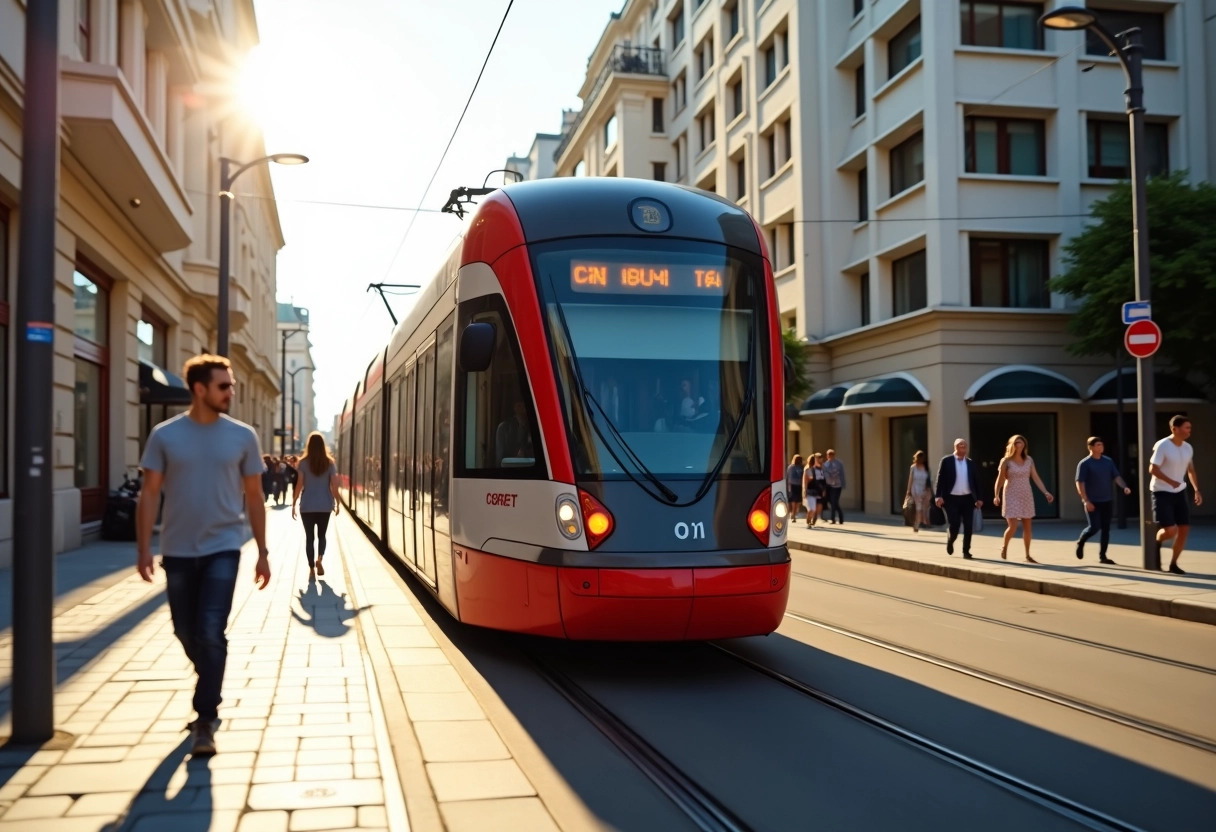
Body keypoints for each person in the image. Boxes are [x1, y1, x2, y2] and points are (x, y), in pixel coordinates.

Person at [136, 354, 270, 757]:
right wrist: (143, 547)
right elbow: (149, 494)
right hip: (176, 550)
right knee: (185, 632)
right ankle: (209, 678)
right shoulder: (164, 435)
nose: (231, 392)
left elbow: (254, 497)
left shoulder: (243, 436)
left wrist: (263, 552)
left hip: (223, 548)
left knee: (211, 631)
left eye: (231, 385)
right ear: (200, 389)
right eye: (224, 386)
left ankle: (205, 717)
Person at [1149, 415, 1202, 574]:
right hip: (1161, 492)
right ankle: (1157, 542)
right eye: (1186, 428)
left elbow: (1190, 470)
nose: (1188, 431)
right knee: (1171, 531)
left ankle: (1173, 564)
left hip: (1179, 492)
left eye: (1190, 428)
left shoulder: (1187, 448)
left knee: (1184, 529)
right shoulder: (1163, 445)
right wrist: (1170, 481)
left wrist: (1196, 489)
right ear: (1174, 429)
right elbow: (1153, 469)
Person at [992, 434, 1054, 563]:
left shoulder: (1029, 460)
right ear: (1012, 445)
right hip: (1011, 494)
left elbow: (1035, 477)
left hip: (1026, 494)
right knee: (1013, 526)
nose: (1019, 445)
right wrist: (996, 495)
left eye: (1021, 443)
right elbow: (1000, 479)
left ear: (1024, 445)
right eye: (1016, 443)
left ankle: (1027, 555)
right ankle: (1005, 546)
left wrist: (1045, 492)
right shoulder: (1006, 461)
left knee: (1028, 526)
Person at [1074, 436, 1131, 564]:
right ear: (1091, 447)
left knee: (1106, 528)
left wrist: (1124, 487)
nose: (1101, 447)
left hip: (1106, 500)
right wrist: (1086, 500)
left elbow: (1116, 477)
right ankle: (1081, 541)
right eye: (1098, 445)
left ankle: (1103, 556)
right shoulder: (1085, 463)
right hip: (1092, 501)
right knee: (1094, 527)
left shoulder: (1108, 461)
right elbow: (1080, 482)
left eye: (1102, 444)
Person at [292, 432, 341, 580]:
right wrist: (338, 503)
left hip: (307, 505)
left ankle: (311, 569)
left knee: (309, 538)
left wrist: (293, 503)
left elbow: (299, 484)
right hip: (325, 505)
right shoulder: (330, 463)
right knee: (322, 536)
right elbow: (334, 486)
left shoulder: (303, 463)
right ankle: (320, 558)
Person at [935, 438, 983, 559]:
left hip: (968, 499)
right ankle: (951, 540)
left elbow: (977, 482)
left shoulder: (971, 463)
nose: (962, 447)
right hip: (951, 499)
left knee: (968, 526)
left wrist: (979, 498)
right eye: (960, 445)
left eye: (964, 445)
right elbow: (940, 480)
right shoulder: (947, 461)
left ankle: (966, 551)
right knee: (954, 525)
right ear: (955, 447)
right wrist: (938, 496)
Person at [495, 400, 534, 465]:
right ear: (514, 407)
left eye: (524, 405)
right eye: (519, 405)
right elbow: (499, 458)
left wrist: (525, 454)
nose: (522, 409)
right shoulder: (503, 428)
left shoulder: (537, 427)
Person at [904, 450, 933, 532]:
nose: (921, 460)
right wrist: (908, 491)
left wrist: (929, 491)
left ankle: (924, 522)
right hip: (915, 490)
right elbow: (910, 480)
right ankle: (917, 525)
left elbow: (929, 481)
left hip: (924, 490)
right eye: (920, 458)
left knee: (924, 508)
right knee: (918, 508)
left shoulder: (926, 468)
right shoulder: (913, 468)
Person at [821, 449, 846, 524]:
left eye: (831, 455)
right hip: (829, 485)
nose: (830, 456)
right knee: (831, 501)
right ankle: (839, 517)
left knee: (834, 501)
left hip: (837, 485)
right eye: (828, 455)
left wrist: (843, 483)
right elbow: (824, 475)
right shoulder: (825, 464)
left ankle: (833, 519)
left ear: (834, 455)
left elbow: (842, 473)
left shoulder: (839, 463)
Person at [803, 453, 826, 527]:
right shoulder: (808, 469)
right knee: (812, 509)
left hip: (819, 491)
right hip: (811, 491)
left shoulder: (821, 469)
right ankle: (808, 521)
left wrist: (823, 490)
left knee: (818, 508)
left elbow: (823, 480)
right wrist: (805, 491)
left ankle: (814, 519)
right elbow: (805, 481)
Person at [786, 454, 804, 521]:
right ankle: (793, 514)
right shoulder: (791, 467)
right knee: (794, 500)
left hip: (800, 485)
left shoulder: (801, 467)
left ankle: (794, 513)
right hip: (793, 485)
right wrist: (789, 486)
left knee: (798, 501)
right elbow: (789, 477)